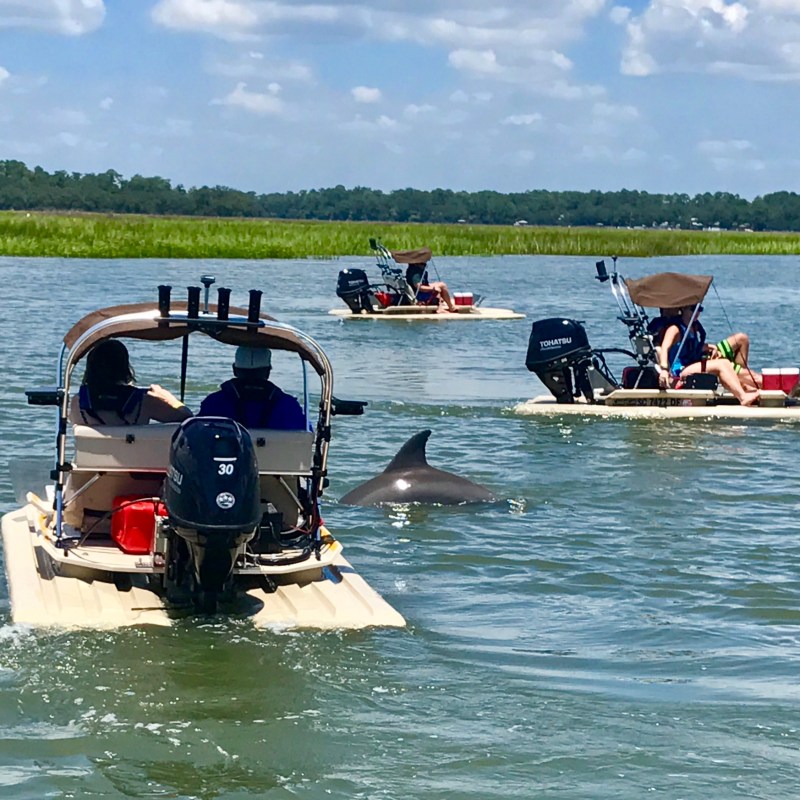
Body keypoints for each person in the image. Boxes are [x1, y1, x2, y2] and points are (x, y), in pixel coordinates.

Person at [69, 339, 192, 425]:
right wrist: (167, 397)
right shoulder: (144, 401)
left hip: (91, 456)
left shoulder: (77, 402)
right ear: (124, 367)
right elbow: (187, 418)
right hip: (134, 456)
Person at [657, 306, 760, 406]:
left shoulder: (693, 326)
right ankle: (743, 397)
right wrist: (664, 370)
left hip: (694, 362)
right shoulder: (675, 329)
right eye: (693, 309)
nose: (697, 312)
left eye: (699, 309)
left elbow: (692, 346)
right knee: (723, 364)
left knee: (741, 339)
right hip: (680, 371)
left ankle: (742, 384)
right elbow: (664, 348)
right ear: (683, 309)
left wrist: (708, 347)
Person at [199, 346, 307, 430]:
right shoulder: (290, 406)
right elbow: (306, 437)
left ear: (234, 370)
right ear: (268, 371)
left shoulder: (212, 403)